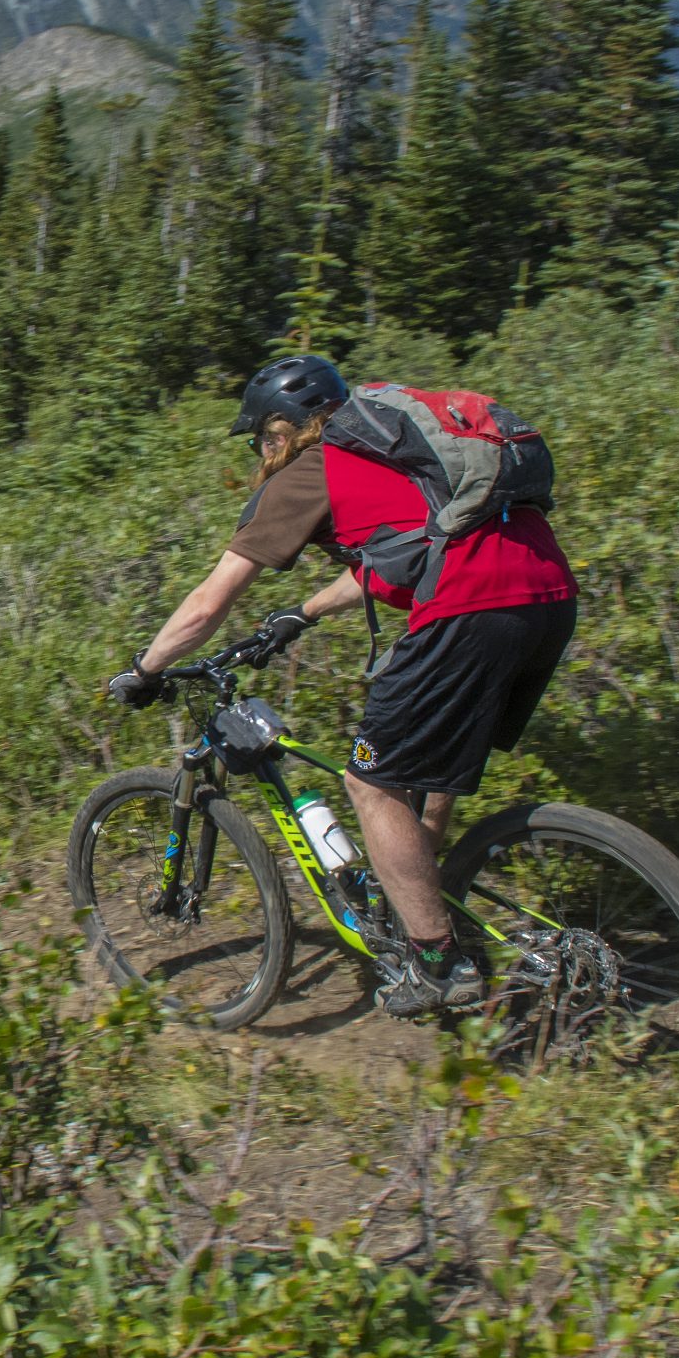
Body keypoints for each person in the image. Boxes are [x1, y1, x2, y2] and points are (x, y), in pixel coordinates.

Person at [106, 354, 578, 1015]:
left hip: (469, 602)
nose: (260, 452)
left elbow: (209, 603)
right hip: (546, 591)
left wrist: (145, 668)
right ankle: (423, 912)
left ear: (281, 428)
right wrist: (302, 612)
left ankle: (437, 962)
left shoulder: (309, 469)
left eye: (260, 439)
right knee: (429, 774)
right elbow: (409, 554)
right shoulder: (392, 456)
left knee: (370, 783)